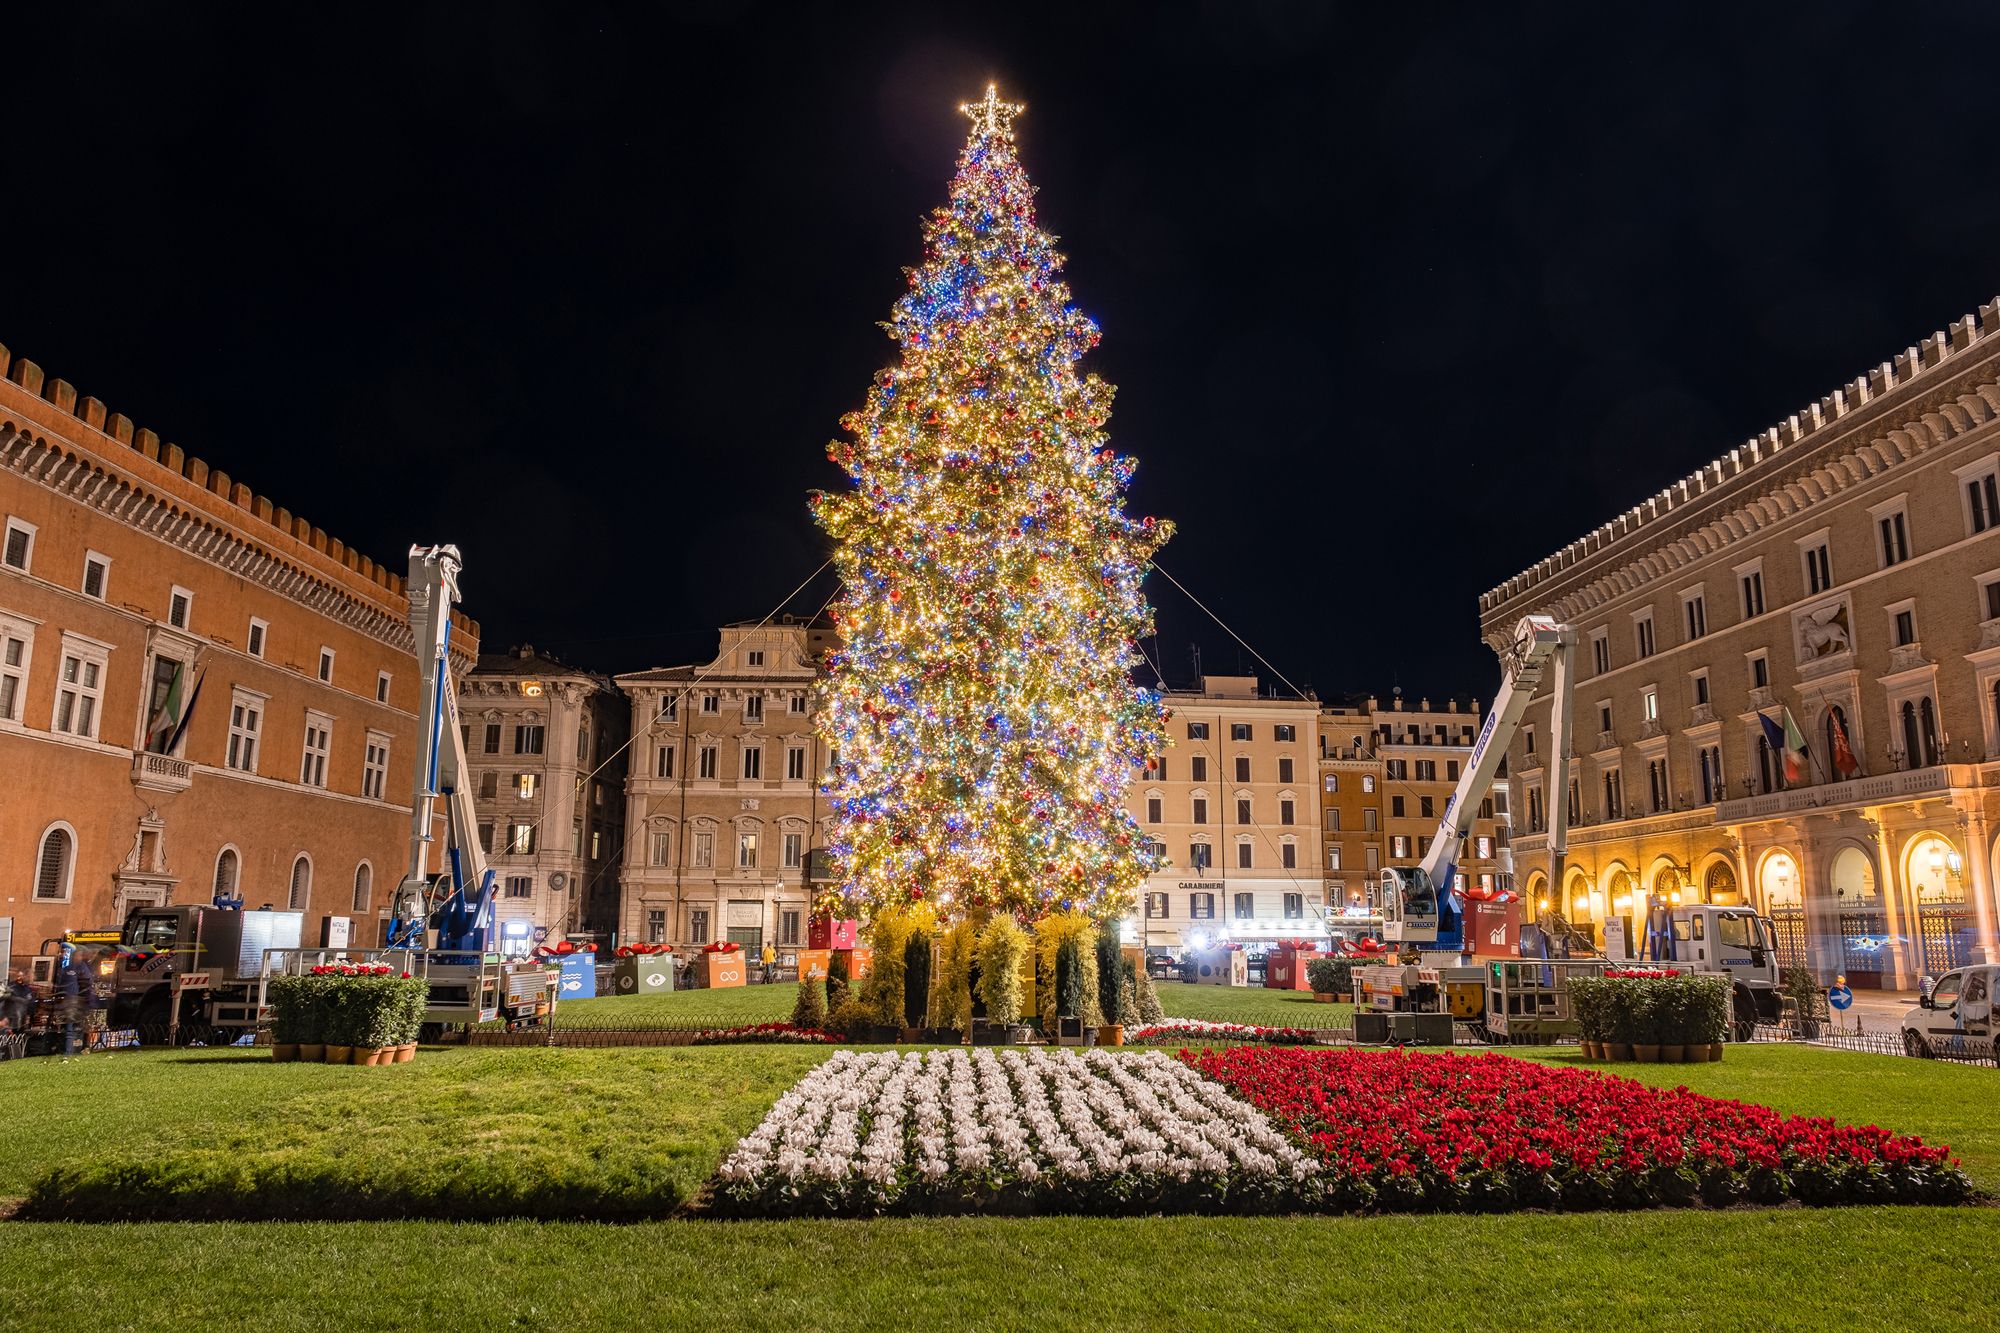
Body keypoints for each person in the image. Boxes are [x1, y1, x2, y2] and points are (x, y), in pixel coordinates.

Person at [56, 943, 97, 1057]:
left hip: (74, 1001)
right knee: (66, 1027)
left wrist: (87, 1000)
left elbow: (87, 984)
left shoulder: (81, 967)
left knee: (72, 1028)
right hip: (65, 1000)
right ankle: (65, 1050)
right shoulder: (64, 965)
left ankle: (71, 1051)